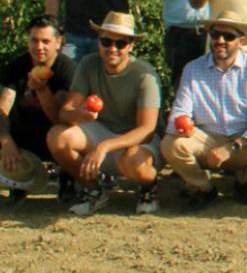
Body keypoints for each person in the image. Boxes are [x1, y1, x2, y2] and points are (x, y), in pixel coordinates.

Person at [161, 11, 247, 210]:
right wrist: (182, 127)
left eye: (228, 36)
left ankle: (245, 183)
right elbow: (179, 113)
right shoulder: (192, 69)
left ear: (241, 40)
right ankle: (204, 188)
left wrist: (234, 146)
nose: (220, 40)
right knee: (170, 144)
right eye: (215, 34)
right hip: (206, 141)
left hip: (242, 143)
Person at [46, 12, 161, 216]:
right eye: (106, 41)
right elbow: (66, 113)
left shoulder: (145, 74)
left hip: (137, 138)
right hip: (103, 130)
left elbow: (147, 130)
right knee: (58, 136)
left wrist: (104, 147)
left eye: (121, 43)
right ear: (98, 41)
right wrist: (80, 115)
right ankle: (93, 189)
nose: (112, 49)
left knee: (133, 162)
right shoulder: (89, 64)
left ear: (131, 45)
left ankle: (148, 188)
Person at [0, 16, 76, 204]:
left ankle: (68, 181)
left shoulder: (66, 70)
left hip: (52, 133)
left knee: (68, 132)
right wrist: (5, 140)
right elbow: (2, 107)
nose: (39, 46)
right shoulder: (18, 66)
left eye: (45, 41)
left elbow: (61, 118)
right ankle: (17, 181)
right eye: (34, 40)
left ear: (58, 43)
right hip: (22, 133)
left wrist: (42, 90)